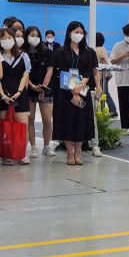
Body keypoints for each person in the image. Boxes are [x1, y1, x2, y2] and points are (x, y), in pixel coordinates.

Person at [52, 22, 96, 166]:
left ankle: (78, 153)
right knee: (68, 123)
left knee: (81, 123)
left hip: (83, 90)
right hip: (66, 93)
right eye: (76, 31)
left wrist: (80, 85)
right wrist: (74, 92)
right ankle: (70, 154)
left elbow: (89, 71)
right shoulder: (61, 51)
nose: (79, 34)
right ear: (69, 33)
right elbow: (62, 72)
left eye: (81, 32)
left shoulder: (88, 51)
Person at [23, 26, 56, 159]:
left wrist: (43, 88)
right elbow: (24, 73)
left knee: (47, 120)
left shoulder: (46, 52)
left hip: (46, 88)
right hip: (29, 89)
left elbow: (50, 71)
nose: (34, 38)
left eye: (37, 35)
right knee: (30, 120)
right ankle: (33, 147)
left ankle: (47, 146)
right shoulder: (23, 53)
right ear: (27, 37)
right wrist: (32, 87)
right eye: (32, 35)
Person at [0, 28, 31, 165]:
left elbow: (25, 75)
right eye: (3, 38)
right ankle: (6, 154)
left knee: (22, 126)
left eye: (9, 38)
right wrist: (3, 96)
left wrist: (18, 93)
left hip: (20, 96)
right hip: (3, 97)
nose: (7, 41)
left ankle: (21, 154)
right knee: (5, 127)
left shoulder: (24, 56)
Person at [94, 33, 118, 116]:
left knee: (105, 93)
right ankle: (110, 110)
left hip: (101, 75)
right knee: (105, 93)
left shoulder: (97, 50)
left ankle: (113, 110)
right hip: (104, 74)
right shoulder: (102, 48)